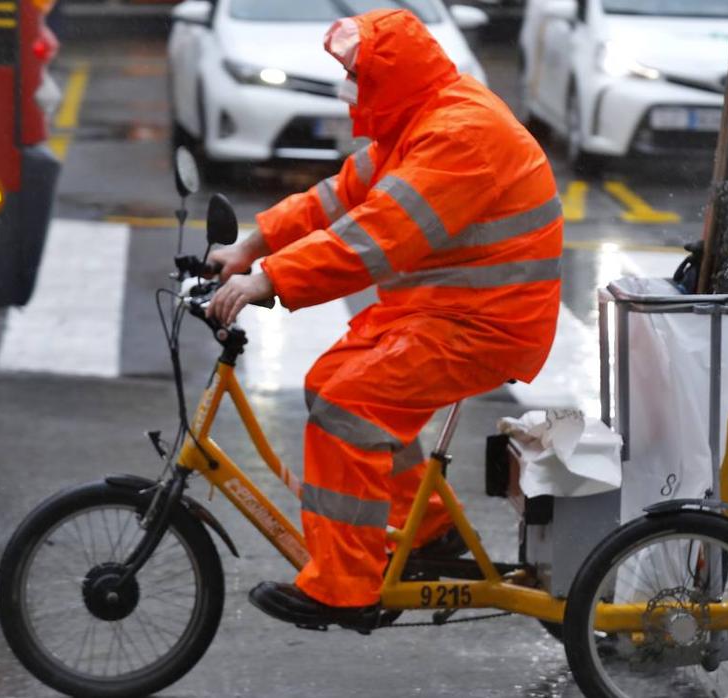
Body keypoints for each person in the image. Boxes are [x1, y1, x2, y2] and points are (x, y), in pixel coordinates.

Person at [205, 8, 562, 630]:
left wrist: (271, 279)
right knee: (330, 383)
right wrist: (253, 244)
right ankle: (429, 535)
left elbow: (376, 236)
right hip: (441, 310)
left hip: (483, 323)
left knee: (349, 404)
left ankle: (345, 589)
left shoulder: (459, 133)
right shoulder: (418, 119)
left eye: (355, 74)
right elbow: (339, 197)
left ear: (388, 75)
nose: (348, 87)